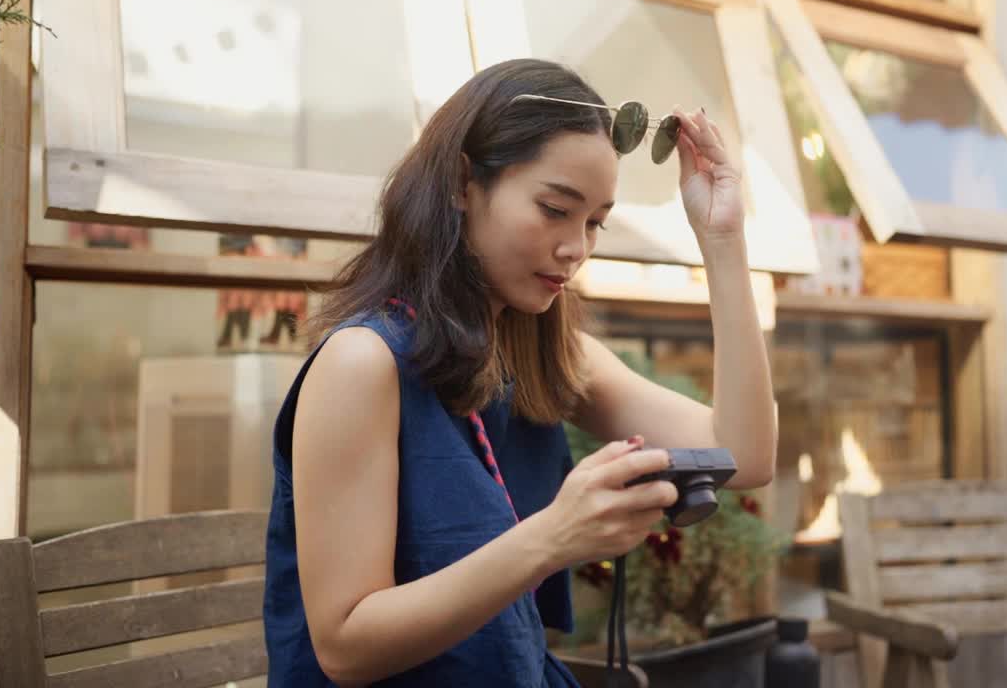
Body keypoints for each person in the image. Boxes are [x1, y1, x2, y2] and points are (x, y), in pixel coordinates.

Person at [262, 58, 777, 687]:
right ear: (461, 183)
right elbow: (344, 645)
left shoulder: (542, 353)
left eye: (594, 223)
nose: (576, 248)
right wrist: (555, 536)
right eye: (555, 208)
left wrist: (723, 241)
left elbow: (743, 456)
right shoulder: (362, 363)